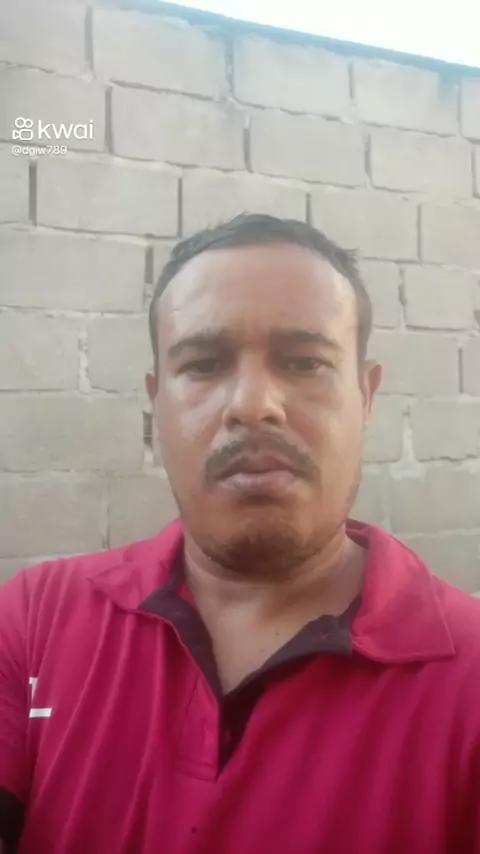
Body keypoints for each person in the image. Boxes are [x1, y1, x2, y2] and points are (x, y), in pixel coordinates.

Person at [1, 214, 479, 854]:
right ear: (156, 404)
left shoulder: (469, 676)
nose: (253, 405)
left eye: (304, 362)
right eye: (203, 364)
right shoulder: (34, 621)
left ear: (366, 398)